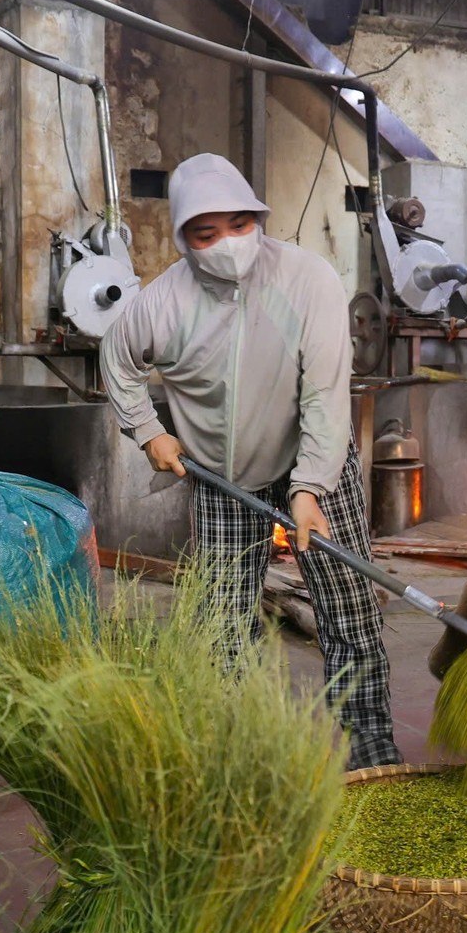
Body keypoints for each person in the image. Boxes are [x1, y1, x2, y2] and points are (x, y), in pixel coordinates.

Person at [99, 153, 401, 771]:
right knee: (222, 620)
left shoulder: (307, 279)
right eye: (206, 234)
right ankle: (231, 748)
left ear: (258, 218)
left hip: (309, 457)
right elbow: (117, 361)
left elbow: (324, 392)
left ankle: (369, 746)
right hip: (222, 477)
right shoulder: (162, 304)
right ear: (183, 239)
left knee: (347, 605)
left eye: (240, 224)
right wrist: (147, 430)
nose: (228, 244)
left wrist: (310, 488)